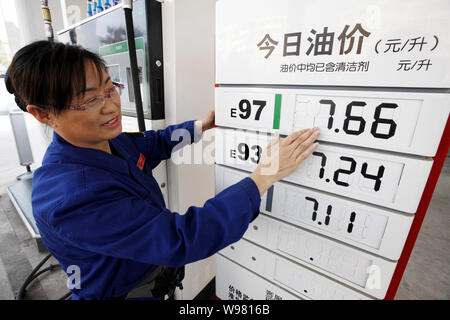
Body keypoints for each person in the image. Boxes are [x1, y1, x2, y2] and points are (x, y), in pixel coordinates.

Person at [5, 40, 320, 300]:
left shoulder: (108, 142)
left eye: (109, 88)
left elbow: (152, 144)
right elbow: (180, 239)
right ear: (43, 115)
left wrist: (201, 126)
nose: (111, 105)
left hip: (155, 281)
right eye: (89, 100)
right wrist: (263, 176)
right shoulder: (69, 198)